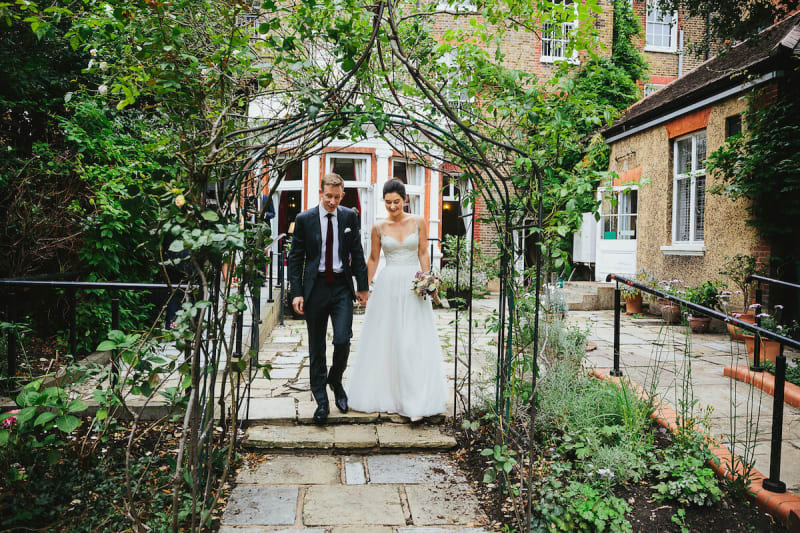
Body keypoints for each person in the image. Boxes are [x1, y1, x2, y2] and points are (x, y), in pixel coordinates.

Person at [345, 179, 447, 421]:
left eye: (396, 202)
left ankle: (414, 395)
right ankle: (388, 393)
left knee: (413, 339)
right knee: (388, 338)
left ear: (405, 200)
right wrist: (363, 288)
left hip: (413, 285)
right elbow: (373, 259)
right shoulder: (378, 227)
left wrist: (428, 281)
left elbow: (423, 252)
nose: (392, 206)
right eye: (388, 202)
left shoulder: (418, 221)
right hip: (388, 285)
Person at [287, 173, 370, 424]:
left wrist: (363, 286)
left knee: (343, 339)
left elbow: (356, 250)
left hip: (341, 288)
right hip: (315, 288)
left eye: (337, 197)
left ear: (342, 195)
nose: (332, 201)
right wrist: (297, 292)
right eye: (328, 196)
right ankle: (322, 401)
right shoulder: (304, 219)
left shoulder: (349, 217)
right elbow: (295, 258)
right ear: (320, 193)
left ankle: (335, 379)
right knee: (317, 347)